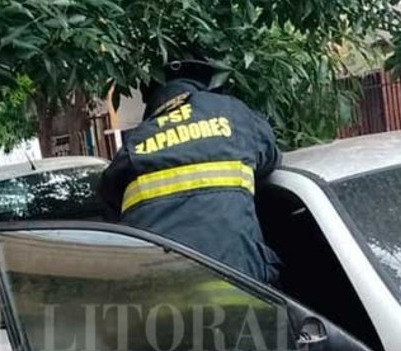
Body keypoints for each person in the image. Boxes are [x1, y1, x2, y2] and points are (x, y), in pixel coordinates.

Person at [100, 58, 282, 284]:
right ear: (204, 86)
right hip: (244, 286)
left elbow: (110, 211)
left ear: (153, 101)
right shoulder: (231, 114)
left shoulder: (134, 146)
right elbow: (270, 156)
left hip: (164, 298)